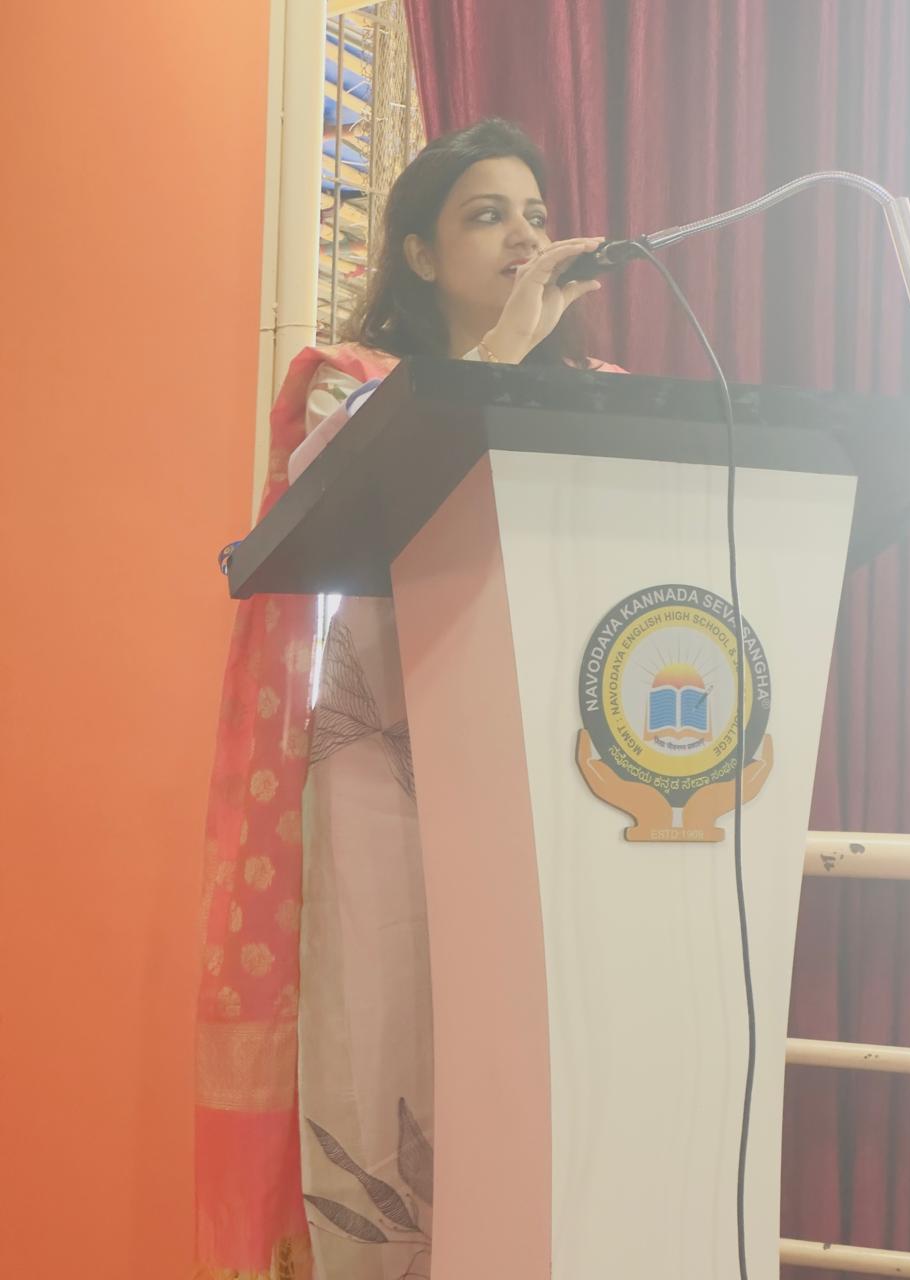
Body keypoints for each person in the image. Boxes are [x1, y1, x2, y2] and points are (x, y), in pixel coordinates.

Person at [195, 117, 627, 1280]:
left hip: (563, 758)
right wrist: (507, 347)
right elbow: (348, 500)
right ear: (421, 254)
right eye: (487, 216)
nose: (524, 236)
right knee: (392, 1031)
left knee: (541, 1045)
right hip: (389, 756)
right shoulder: (349, 382)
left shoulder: (606, 398)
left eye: (536, 215)